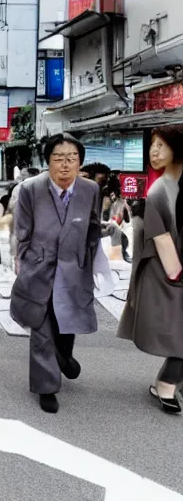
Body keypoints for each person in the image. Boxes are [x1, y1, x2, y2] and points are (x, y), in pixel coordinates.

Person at [10, 133, 101, 414]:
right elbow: (21, 232)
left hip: (74, 269)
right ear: (47, 161)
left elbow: (93, 228)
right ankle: (46, 386)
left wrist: (87, 259)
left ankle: (63, 356)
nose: (65, 165)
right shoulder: (30, 189)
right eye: (58, 158)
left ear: (80, 162)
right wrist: (25, 262)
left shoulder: (90, 191)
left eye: (71, 159)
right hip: (40, 268)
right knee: (42, 326)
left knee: (67, 322)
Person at [118, 126, 183, 414]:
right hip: (167, 272)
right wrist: (176, 272)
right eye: (152, 146)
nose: (154, 151)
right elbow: (160, 236)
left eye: (161, 145)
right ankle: (166, 383)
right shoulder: (159, 188)